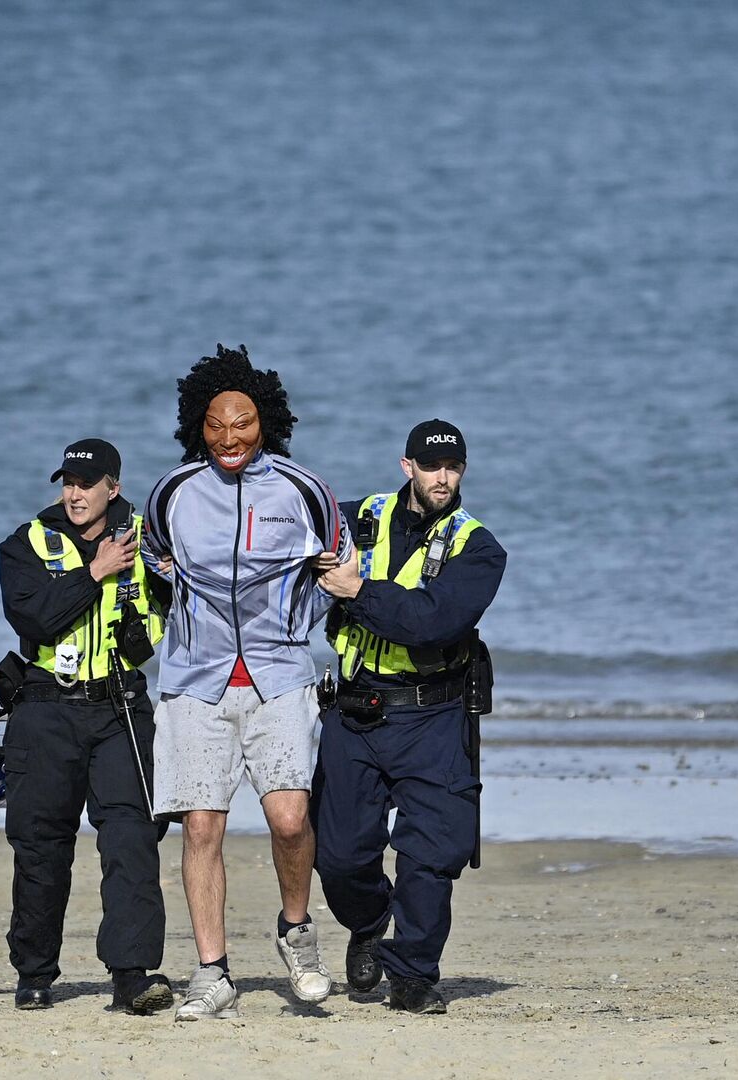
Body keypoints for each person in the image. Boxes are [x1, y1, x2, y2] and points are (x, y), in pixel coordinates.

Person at [142, 345, 348, 1021]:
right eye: (216, 426)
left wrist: (298, 625)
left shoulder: (304, 489)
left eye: (244, 424)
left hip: (281, 676)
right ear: (196, 427)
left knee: (290, 821)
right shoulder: (172, 493)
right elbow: (154, 565)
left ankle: (297, 931)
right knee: (202, 827)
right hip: (195, 683)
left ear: (268, 424)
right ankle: (213, 973)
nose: (230, 438)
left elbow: (339, 571)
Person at [311, 419, 507, 1015]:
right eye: (430, 466)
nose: (441, 477)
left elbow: (429, 622)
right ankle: (370, 921)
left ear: (463, 470)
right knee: (339, 857)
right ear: (408, 468)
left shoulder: (479, 548)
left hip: (436, 716)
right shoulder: (356, 517)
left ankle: (415, 973)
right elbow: (284, 517)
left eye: (452, 467)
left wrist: (355, 589)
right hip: (355, 712)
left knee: (430, 855)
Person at [0, 437, 173, 1014]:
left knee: (132, 842)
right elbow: (32, 615)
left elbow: (189, 608)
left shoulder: (152, 538)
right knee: (41, 846)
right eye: (68, 483)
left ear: (112, 488)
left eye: (86, 484)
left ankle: (131, 975)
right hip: (44, 708)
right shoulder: (25, 544)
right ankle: (35, 973)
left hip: (120, 706)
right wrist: (95, 572)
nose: (74, 493)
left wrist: (173, 576)